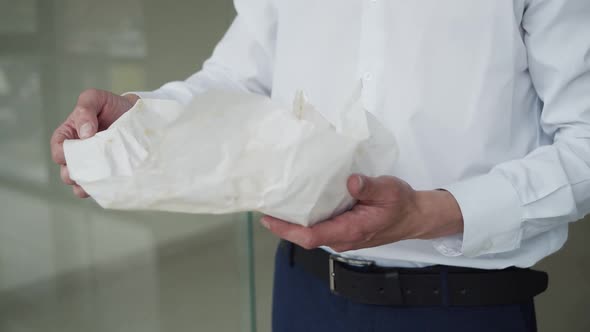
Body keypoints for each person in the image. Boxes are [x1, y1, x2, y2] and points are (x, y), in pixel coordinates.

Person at [50, 1, 590, 331]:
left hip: (460, 309)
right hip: (304, 295)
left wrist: (428, 213)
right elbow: (239, 83)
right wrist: (141, 120)